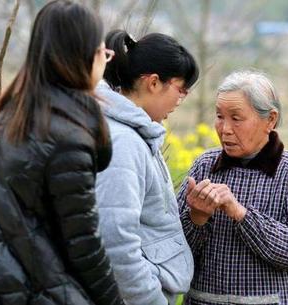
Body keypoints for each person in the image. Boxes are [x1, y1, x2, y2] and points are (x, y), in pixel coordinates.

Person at [0, 1, 123, 304]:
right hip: (29, 289)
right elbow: (83, 245)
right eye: (102, 53)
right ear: (82, 57)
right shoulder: (68, 137)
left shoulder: (11, 113)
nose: (105, 61)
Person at [178, 70, 288, 305]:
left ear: (270, 119)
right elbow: (172, 247)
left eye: (236, 118)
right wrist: (197, 217)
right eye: (219, 116)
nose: (224, 128)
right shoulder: (204, 166)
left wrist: (240, 213)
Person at [94, 30, 199, 305]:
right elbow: (114, 239)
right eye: (180, 89)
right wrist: (150, 298)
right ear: (153, 82)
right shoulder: (123, 142)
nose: (180, 100)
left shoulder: (136, 132)